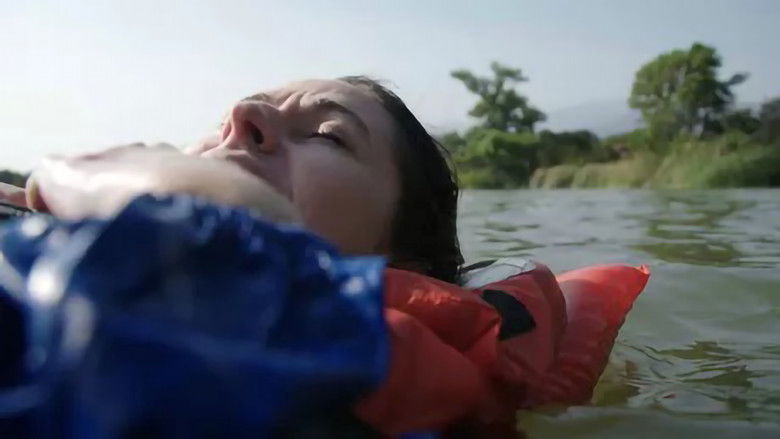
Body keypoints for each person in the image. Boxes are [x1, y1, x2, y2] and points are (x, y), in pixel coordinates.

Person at [0, 77, 648, 437]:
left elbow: (225, 256)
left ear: (402, 266)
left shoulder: (350, 349)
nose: (241, 113)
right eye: (221, 131)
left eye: (329, 136)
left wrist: (78, 175)